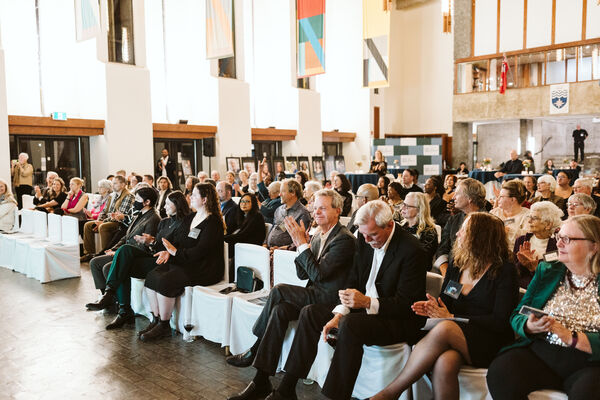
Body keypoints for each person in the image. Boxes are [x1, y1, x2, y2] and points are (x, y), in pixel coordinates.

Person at [266, 200, 427, 400]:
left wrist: (367, 303)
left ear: (390, 225)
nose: (367, 240)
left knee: (351, 325)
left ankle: (335, 396)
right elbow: (354, 280)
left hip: (396, 318)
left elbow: (406, 304)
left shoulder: (412, 250)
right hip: (363, 309)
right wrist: (339, 313)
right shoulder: (364, 237)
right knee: (310, 312)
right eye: (364, 234)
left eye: (373, 235)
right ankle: (286, 389)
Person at [225, 190, 356, 400]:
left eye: (323, 208)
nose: (317, 211)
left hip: (330, 301)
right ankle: (261, 380)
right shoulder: (318, 235)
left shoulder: (344, 239)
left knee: (279, 290)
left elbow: (319, 275)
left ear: (338, 211)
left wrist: (302, 244)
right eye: (316, 207)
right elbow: (302, 272)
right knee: (279, 309)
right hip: (315, 293)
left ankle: (255, 347)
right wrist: (300, 244)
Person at [372, 212, 518, 400]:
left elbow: (500, 321)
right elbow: (446, 301)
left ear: (480, 236)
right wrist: (434, 308)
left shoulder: (504, 271)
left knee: (446, 327)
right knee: (444, 363)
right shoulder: (457, 265)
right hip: (455, 335)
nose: (457, 234)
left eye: (464, 230)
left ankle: (389, 393)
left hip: (490, 340)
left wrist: (452, 318)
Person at [487, 215, 600, 399]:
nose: (559, 244)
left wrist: (571, 337)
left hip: (589, 363)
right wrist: (529, 326)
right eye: (558, 238)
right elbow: (517, 315)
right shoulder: (548, 270)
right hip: (542, 352)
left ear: (594, 245)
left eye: (567, 239)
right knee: (502, 372)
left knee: (588, 393)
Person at [139, 183, 225, 341]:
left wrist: (175, 252)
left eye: (195, 195)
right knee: (152, 275)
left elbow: (201, 251)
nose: (190, 197)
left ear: (205, 200)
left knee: (165, 280)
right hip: (185, 261)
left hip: (204, 268)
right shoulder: (192, 217)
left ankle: (164, 325)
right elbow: (178, 241)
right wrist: (168, 251)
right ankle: (156, 320)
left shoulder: (213, 222)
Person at [84, 187, 161, 329]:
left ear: (147, 202)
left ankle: (114, 300)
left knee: (110, 266)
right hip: (125, 251)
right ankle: (108, 298)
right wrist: (114, 249)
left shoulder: (154, 218)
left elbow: (146, 244)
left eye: (137, 200)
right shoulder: (139, 214)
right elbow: (127, 235)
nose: (134, 203)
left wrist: (119, 251)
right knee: (95, 262)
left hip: (139, 254)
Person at [434, 178, 487, 276]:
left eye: (457, 193)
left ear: (469, 198)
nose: (453, 197)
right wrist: (445, 271)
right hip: (452, 272)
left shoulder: (491, 223)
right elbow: (442, 249)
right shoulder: (453, 220)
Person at [81, 175, 134, 262]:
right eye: (113, 183)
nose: (113, 185)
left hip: (120, 223)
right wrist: (99, 220)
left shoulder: (128, 196)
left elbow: (118, 215)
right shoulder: (112, 195)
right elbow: (104, 211)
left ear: (123, 184)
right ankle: (89, 253)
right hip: (109, 220)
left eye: (115, 183)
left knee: (104, 227)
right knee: (88, 225)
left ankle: (105, 255)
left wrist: (102, 222)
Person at [513, 201, 562, 289]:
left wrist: (535, 269)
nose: (529, 221)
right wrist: (522, 263)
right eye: (529, 217)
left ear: (548, 224)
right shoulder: (521, 241)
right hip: (519, 290)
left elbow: (555, 278)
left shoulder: (558, 245)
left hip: (544, 291)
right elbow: (513, 273)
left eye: (534, 218)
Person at [224, 193, 266, 277]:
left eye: (247, 201)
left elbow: (242, 235)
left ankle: (228, 278)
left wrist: (222, 238)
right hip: (242, 244)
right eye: (242, 201)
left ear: (253, 203)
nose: (244, 204)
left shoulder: (257, 216)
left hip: (251, 247)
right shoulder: (243, 216)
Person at [265, 179, 311, 250]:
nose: (279, 194)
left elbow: (303, 241)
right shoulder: (279, 209)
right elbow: (276, 228)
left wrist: (282, 249)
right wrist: (265, 244)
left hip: (286, 253)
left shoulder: (303, 213)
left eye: (283, 191)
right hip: (270, 250)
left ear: (292, 193)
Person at [399, 192, 439, 270]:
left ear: (419, 209)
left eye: (407, 206)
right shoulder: (401, 227)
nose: (402, 208)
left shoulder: (429, 231)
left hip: (416, 271)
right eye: (403, 204)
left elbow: (422, 258)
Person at [490, 180, 529, 249]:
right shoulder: (495, 212)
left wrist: (507, 231)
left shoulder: (527, 215)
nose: (498, 199)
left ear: (513, 199)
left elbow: (527, 237)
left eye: (501, 196)